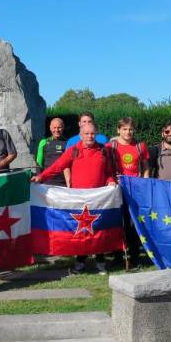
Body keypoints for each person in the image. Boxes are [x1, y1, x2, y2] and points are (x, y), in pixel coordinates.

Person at [32, 122, 116, 275]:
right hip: (79, 200)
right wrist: (41, 177)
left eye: (92, 134)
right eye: (87, 134)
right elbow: (57, 166)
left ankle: (100, 262)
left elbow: (109, 171)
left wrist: (111, 181)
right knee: (82, 232)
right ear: (81, 134)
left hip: (98, 200)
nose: (90, 136)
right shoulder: (73, 150)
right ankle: (80, 262)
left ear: (96, 134)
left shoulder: (103, 151)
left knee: (96, 230)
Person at [106, 117, 149, 269]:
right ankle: (118, 257)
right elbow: (105, 167)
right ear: (118, 130)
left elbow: (145, 167)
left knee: (133, 225)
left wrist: (144, 182)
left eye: (130, 129)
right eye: (124, 129)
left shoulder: (140, 146)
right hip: (117, 190)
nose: (128, 132)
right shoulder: (111, 146)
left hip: (135, 191)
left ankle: (135, 257)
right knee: (118, 224)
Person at [35, 117, 69, 187]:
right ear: (50, 128)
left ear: (63, 128)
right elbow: (39, 162)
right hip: (47, 181)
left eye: (59, 127)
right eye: (54, 127)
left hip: (63, 182)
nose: (56, 130)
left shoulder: (68, 143)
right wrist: (39, 178)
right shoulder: (44, 142)